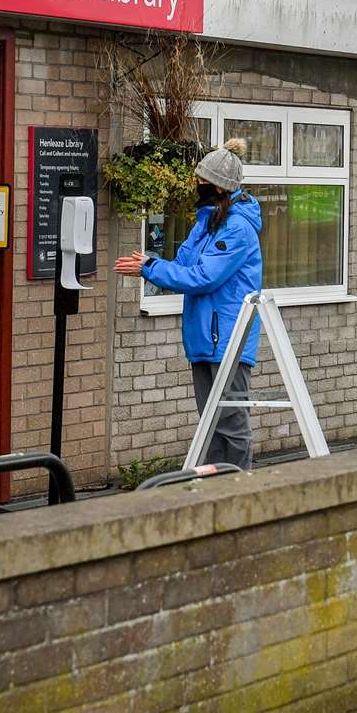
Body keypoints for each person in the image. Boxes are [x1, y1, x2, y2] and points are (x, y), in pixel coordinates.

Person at [114, 140, 262, 469]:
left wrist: (150, 268)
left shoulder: (238, 228)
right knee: (210, 423)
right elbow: (182, 264)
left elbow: (203, 277)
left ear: (219, 187)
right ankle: (213, 493)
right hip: (204, 336)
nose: (196, 187)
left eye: (201, 182)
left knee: (232, 424)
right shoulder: (206, 222)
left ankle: (240, 490)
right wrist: (150, 266)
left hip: (227, 339)